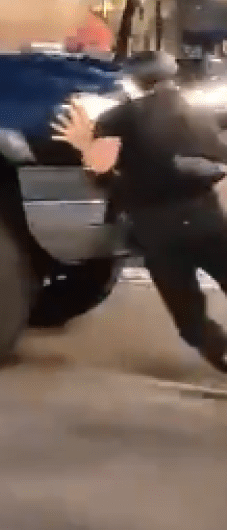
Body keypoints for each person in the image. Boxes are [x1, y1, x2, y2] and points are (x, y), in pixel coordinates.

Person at [53, 50, 227, 372]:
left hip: (157, 229)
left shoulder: (118, 119)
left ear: (130, 81)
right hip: (207, 217)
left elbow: (102, 175)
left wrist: (86, 149)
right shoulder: (199, 110)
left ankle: (221, 353)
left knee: (188, 311)